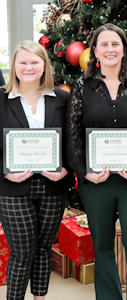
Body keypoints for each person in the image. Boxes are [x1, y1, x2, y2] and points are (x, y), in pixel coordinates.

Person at [66, 23, 127, 300]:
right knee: (103, 245)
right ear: (94, 50)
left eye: (115, 44)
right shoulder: (83, 87)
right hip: (96, 183)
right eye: (103, 44)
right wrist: (84, 173)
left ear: (124, 49)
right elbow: (73, 137)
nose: (110, 49)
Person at [0, 40, 71, 300]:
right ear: (14, 67)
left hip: (53, 185)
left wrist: (67, 171)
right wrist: (4, 171)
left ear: (44, 66)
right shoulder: (1, 99)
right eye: (23, 62)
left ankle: (40, 297)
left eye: (34, 62)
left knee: (43, 248)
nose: (28, 67)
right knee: (21, 251)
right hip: (13, 188)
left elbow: (72, 143)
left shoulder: (62, 99)